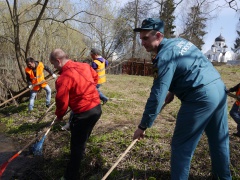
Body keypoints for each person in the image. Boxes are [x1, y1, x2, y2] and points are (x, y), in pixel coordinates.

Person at [132, 18, 232, 179]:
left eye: (145, 38)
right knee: (219, 141)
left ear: (158, 35)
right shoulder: (180, 42)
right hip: (219, 90)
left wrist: (143, 126)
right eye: (141, 38)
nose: (142, 42)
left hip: (200, 98)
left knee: (181, 146)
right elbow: (188, 67)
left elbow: (157, 96)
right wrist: (172, 91)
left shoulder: (164, 57)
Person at [49, 49, 102, 180]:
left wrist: (59, 116)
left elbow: (61, 101)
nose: (54, 68)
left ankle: (70, 176)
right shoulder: (85, 66)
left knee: (76, 147)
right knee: (81, 137)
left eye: (54, 65)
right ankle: (81, 154)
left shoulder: (63, 78)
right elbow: (95, 78)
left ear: (58, 61)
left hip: (84, 113)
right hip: (97, 108)